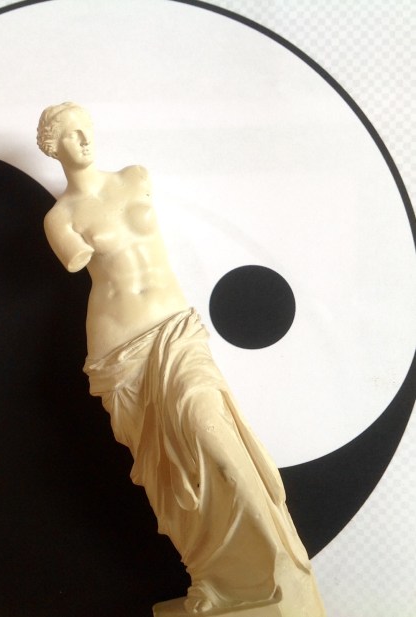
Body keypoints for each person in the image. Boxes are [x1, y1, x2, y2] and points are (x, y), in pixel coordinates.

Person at [36, 102, 325, 616]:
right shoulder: (59, 219)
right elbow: (78, 261)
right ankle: (215, 579)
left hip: (176, 330)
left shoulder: (134, 177)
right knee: (171, 473)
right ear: (53, 146)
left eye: (87, 128)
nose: (84, 139)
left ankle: (280, 575)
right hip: (121, 348)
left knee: (213, 432)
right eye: (71, 134)